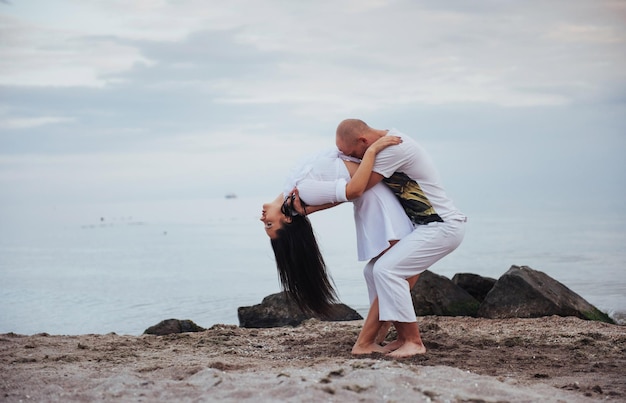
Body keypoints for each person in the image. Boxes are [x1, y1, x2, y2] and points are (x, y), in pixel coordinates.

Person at [335, 118, 467, 358]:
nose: (354, 159)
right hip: (424, 228)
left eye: (354, 153)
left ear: (364, 141)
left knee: (387, 270)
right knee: (372, 271)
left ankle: (414, 342)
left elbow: (358, 187)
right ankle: (402, 336)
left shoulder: (393, 149)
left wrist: (372, 151)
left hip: (442, 226)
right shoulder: (379, 147)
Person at [260, 135, 410, 318]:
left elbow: (344, 192)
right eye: (269, 224)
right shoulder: (303, 193)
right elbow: (351, 191)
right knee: (382, 275)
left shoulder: (296, 193)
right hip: (381, 208)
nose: (262, 219)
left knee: (384, 275)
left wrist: (310, 209)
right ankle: (378, 336)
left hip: (379, 204)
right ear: (288, 219)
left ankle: (376, 336)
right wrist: (372, 150)